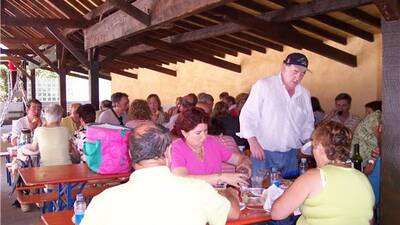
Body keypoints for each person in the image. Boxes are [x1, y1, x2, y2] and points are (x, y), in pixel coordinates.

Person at [81, 123, 240, 225]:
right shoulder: (200, 189)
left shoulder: (104, 201)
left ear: (129, 154)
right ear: (169, 152)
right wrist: (230, 193)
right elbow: (234, 213)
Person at [271, 122, 375, 225]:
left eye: (314, 147)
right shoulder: (363, 179)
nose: (313, 153)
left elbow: (276, 213)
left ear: (320, 147)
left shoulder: (313, 177)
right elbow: (370, 220)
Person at [239, 53, 314, 179]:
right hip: (263, 152)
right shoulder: (264, 86)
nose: (298, 77)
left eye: (303, 73)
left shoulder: (304, 94)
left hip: (292, 154)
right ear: (284, 67)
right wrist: (252, 143)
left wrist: (307, 145)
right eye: (295, 71)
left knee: (289, 193)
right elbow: (248, 115)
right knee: (261, 192)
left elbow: (308, 123)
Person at [170, 107, 251, 188]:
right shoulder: (177, 148)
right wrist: (221, 178)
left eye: (205, 131)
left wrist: (244, 166)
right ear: (184, 133)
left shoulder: (212, 142)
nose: (204, 137)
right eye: (198, 133)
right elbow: (181, 179)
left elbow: (240, 159)